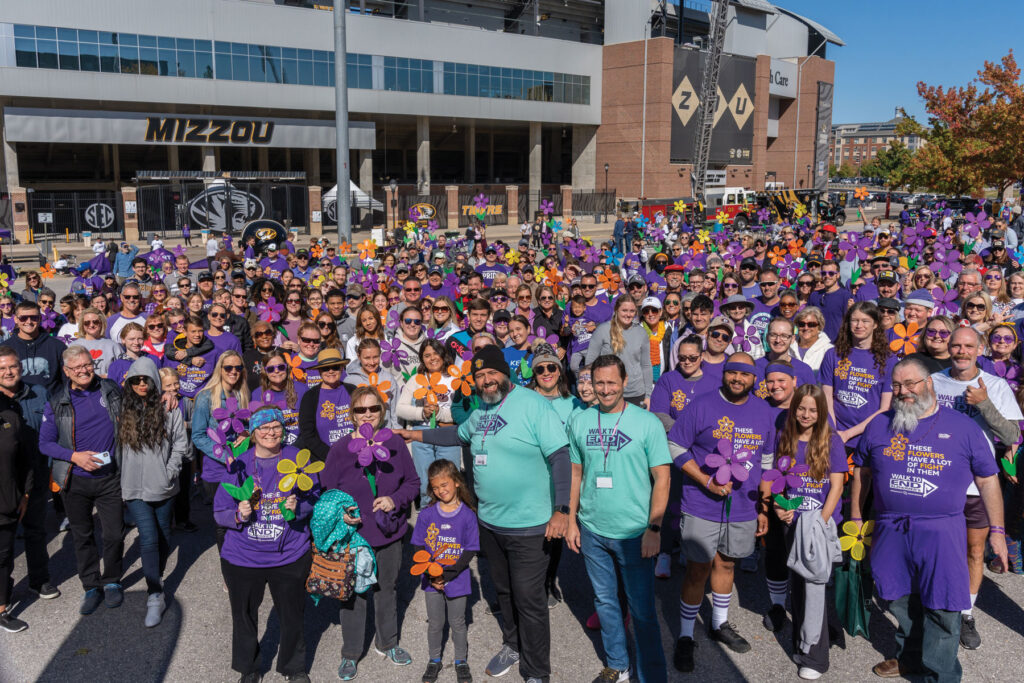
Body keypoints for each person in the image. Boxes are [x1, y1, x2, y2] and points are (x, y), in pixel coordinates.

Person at [401, 346, 571, 683]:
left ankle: (537, 672)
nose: (485, 381)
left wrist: (562, 510)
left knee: (530, 600)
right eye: (478, 376)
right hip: (490, 524)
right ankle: (512, 644)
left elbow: (560, 456)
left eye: (491, 373)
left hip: (530, 525)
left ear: (505, 375)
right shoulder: (479, 413)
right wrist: (413, 433)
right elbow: (455, 433)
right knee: (504, 591)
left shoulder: (533, 404)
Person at [851, 357, 1008, 682]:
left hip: (942, 531)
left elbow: (988, 480)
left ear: (930, 384)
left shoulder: (963, 427)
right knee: (896, 596)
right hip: (891, 530)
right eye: (896, 385)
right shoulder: (880, 424)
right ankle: (910, 657)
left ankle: (941, 674)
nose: (903, 391)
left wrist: (997, 530)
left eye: (911, 384)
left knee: (943, 606)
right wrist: (855, 514)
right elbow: (862, 472)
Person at [565, 354, 670, 683]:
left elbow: (663, 478)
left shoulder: (646, 423)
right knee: (606, 602)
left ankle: (652, 675)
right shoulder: (580, 421)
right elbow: (576, 473)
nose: (606, 389)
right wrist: (571, 520)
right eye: (599, 383)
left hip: (634, 532)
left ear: (625, 382)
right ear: (590, 384)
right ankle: (618, 666)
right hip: (593, 529)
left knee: (642, 611)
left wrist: (654, 527)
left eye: (612, 382)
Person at [667, 352, 775, 672]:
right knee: (698, 569)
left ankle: (719, 624)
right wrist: (704, 480)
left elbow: (767, 462)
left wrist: (764, 506)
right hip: (702, 502)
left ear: (755, 379)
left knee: (727, 564)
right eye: (732, 373)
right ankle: (686, 635)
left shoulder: (763, 411)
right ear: (724, 374)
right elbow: (675, 446)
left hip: (743, 506)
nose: (737, 379)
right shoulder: (701, 404)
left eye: (744, 374)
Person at [929, 327, 1022, 650]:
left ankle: (966, 613)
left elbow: (1011, 436)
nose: (962, 351)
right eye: (956, 345)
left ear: (980, 348)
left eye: (969, 346)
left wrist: (984, 404)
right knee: (937, 552)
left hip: (975, 485)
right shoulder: (935, 381)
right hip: (936, 482)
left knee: (973, 551)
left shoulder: (994, 386)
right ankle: (934, 608)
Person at [321, 386, 420, 680]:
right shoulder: (339, 449)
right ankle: (351, 653)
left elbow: (413, 483)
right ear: (352, 414)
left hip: (389, 533)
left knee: (386, 589)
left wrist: (395, 499)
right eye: (361, 410)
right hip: (353, 536)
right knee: (353, 592)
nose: (368, 415)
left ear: (383, 411)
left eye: (374, 409)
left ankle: (387, 642)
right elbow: (326, 492)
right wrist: (341, 512)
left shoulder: (395, 445)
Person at [214, 406, 317, 683]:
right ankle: (249, 668)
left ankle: (294, 668)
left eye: (276, 427)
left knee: (292, 615)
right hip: (243, 556)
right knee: (244, 616)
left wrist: (301, 506)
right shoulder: (238, 463)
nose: (271, 432)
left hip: (290, 553)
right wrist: (239, 514)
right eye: (264, 427)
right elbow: (220, 509)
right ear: (253, 432)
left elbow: (314, 496)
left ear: (283, 430)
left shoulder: (297, 457)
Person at [762, 384, 846, 679]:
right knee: (798, 588)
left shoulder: (832, 442)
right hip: (791, 524)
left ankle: (815, 658)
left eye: (813, 409)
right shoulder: (784, 438)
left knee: (813, 589)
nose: (806, 414)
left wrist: (820, 522)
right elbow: (778, 481)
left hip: (818, 525)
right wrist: (779, 507)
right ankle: (805, 642)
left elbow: (836, 486)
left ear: (821, 412)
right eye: (801, 408)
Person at [39, 345, 124, 615]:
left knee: (113, 534)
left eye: (87, 364)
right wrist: (74, 457)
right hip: (75, 479)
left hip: (110, 476)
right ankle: (90, 585)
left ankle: (111, 580)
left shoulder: (110, 389)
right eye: (77, 368)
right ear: (66, 371)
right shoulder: (57, 400)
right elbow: (45, 444)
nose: (84, 370)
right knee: (83, 535)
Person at [118, 357, 187, 627]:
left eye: (146, 379)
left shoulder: (170, 410)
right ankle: (154, 593)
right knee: (147, 538)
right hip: (134, 487)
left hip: (164, 487)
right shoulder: (122, 408)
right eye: (136, 379)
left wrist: (169, 471)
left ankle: (156, 575)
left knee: (164, 537)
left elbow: (181, 445)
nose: (142, 384)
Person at [411, 459, 478, 683]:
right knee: (436, 622)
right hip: (431, 579)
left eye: (445, 485)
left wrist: (447, 574)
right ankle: (434, 660)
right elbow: (418, 545)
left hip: (457, 578)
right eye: (436, 487)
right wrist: (432, 574)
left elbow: (470, 550)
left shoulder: (468, 515)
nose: (441, 491)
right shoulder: (427, 514)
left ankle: (461, 661)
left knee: (458, 622)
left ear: (457, 482)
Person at [0, 346, 57, 601]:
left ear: (21, 368)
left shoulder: (39, 393)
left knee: (36, 530)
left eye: (12, 366)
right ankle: (4, 588)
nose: (8, 372)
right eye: (2, 368)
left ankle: (39, 579)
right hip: (5, 481)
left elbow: (52, 428)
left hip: (36, 473)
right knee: (5, 538)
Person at [820, 302, 895, 447]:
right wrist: (834, 432)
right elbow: (826, 397)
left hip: (869, 437)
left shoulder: (888, 360)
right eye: (854, 320)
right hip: (834, 435)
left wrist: (848, 434)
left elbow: (885, 408)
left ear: (875, 325)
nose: (859, 325)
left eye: (865, 321)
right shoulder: (833, 354)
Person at [396, 340, 460, 507]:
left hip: (448, 434)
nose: (432, 358)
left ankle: (452, 515)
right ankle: (428, 517)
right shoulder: (417, 379)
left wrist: (441, 414)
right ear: (422, 359)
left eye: (435, 353)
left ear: (443, 354)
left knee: (450, 479)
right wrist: (421, 413)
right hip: (421, 435)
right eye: (427, 355)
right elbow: (400, 409)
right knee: (425, 482)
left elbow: (460, 412)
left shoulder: (455, 378)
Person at [0, 364, 35, 632]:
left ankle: (1, 609)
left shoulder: (11, 411)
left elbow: (25, 458)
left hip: (7, 498)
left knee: (3, 555)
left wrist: (24, 493)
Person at [586, 296, 653, 407]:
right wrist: (593, 391)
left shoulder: (641, 332)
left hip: (635, 392)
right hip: (608, 392)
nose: (628, 314)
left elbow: (646, 365)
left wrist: (648, 395)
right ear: (616, 310)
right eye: (624, 310)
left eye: (632, 311)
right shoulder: (602, 330)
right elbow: (590, 363)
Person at [297, 348, 354, 462]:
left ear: (342, 368)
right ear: (319, 371)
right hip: (325, 460)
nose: (331, 371)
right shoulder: (310, 397)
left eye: (335, 367)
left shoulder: (353, 390)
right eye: (325, 368)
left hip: (355, 455)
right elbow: (308, 434)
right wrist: (331, 456)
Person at [8, 301, 66, 393]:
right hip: (17, 404)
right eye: (23, 318)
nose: (29, 321)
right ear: (16, 319)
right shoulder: (5, 349)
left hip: (52, 404)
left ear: (40, 318)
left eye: (34, 318)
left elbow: (66, 380)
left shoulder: (57, 346)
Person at [790, 306, 832, 372]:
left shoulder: (829, 351)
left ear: (819, 327)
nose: (806, 328)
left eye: (811, 324)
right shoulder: (789, 347)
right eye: (802, 324)